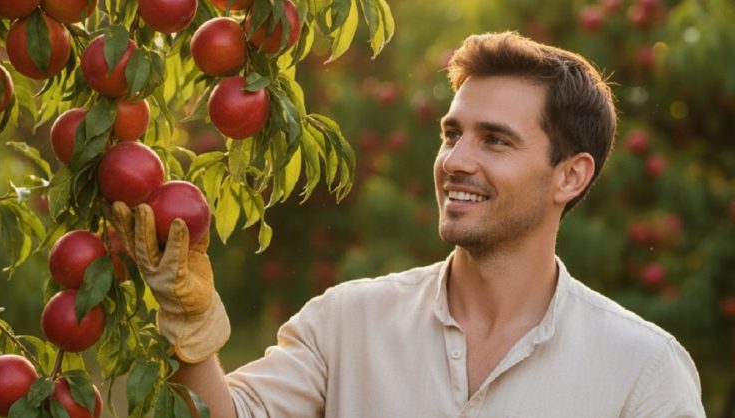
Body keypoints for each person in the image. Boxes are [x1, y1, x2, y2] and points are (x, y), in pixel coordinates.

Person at [109, 31, 705, 417]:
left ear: (570, 177)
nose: (456, 161)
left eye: (495, 141)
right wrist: (190, 330)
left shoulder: (642, 371)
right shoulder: (346, 323)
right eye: (453, 134)